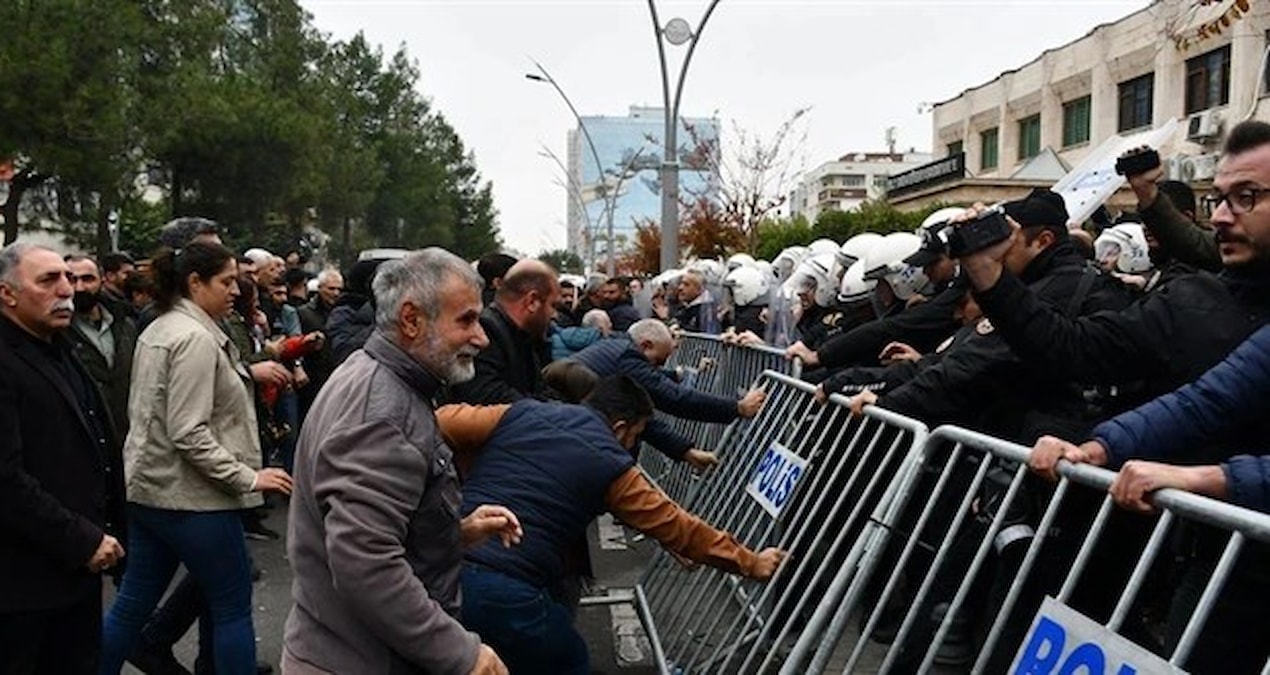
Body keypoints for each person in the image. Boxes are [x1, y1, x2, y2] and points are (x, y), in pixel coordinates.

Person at [957, 121, 1270, 675]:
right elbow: (1205, 400)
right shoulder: (1192, 302)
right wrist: (1097, 449)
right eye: (1218, 199)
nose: (1221, 216)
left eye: (1247, 198)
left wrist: (1207, 480)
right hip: (1214, 565)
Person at [439, 375, 786, 674]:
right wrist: (751, 562)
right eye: (635, 435)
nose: (633, 445)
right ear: (620, 428)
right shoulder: (611, 462)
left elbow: (440, 421)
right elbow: (681, 527)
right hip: (502, 588)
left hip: (440, 565)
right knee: (567, 658)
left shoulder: (519, 412)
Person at [283, 248, 515, 674]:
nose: (481, 337)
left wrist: (455, 533)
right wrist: (460, 653)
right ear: (411, 320)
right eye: (465, 320)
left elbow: (376, 530)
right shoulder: (383, 411)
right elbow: (364, 563)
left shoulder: (382, 378)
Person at [99, 242, 294, 674]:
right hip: (193, 499)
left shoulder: (164, 327)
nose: (235, 290)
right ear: (194, 282)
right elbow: (188, 431)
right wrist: (248, 477)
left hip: (152, 491)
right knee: (231, 606)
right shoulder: (194, 338)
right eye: (225, 281)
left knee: (132, 605)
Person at [0, 243, 127, 675]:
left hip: (74, 575)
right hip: (21, 585)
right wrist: (82, 539)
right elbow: (6, 478)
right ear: (7, 294)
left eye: (68, 278)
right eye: (48, 280)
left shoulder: (61, 349)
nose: (66, 290)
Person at [568, 319, 767, 468]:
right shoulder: (627, 358)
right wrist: (738, 407)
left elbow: (640, 418)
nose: (656, 368)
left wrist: (684, 451)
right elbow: (675, 398)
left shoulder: (617, 348)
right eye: (658, 361)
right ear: (646, 345)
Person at [447, 259, 560, 405]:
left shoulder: (525, 336)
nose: (555, 315)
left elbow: (539, 389)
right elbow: (488, 398)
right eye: (553, 305)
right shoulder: (486, 331)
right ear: (531, 301)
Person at [65, 254, 138, 437]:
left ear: (102, 280)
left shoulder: (125, 324)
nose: (79, 288)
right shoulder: (55, 331)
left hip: (124, 433)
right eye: (72, 280)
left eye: (87, 279)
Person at [296, 268, 342, 416]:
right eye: (331, 288)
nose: (335, 293)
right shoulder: (303, 313)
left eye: (339, 289)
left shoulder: (344, 313)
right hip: (313, 378)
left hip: (337, 376)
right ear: (320, 288)